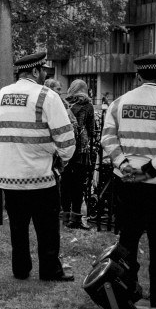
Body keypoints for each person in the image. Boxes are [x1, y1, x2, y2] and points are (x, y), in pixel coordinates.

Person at [101, 54, 156, 309]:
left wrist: (124, 164)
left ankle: (127, 292)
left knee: (127, 242)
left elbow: (108, 136)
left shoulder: (119, 102)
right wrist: (150, 169)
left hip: (127, 183)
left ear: (137, 76)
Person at [0, 52, 75, 281]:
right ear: (35, 71)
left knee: (17, 226)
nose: (45, 74)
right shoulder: (47, 96)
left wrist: (2, 161)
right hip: (40, 176)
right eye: (43, 70)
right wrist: (61, 159)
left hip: (9, 178)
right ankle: (50, 270)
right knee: (47, 228)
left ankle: (21, 269)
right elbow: (66, 141)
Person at [61, 79, 95, 229]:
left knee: (65, 183)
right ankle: (75, 219)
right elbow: (92, 129)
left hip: (66, 149)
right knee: (78, 185)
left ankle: (65, 216)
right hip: (81, 151)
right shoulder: (88, 106)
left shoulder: (64, 104)